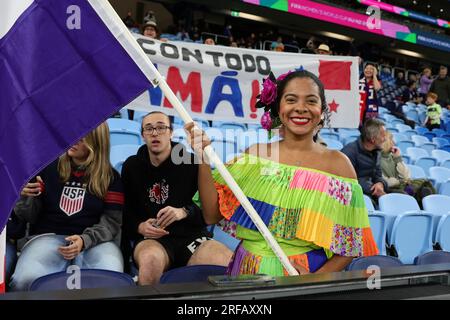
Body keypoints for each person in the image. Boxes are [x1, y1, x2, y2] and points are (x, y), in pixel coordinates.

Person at [185, 70, 378, 277]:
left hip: (302, 279)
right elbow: (211, 215)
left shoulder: (340, 166)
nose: (301, 108)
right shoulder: (253, 156)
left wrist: (315, 279)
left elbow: (349, 246)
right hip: (246, 270)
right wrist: (203, 158)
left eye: (311, 101)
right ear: (278, 107)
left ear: (322, 111)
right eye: (291, 99)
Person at [9, 123, 124, 291]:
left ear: (96, 141)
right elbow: (27, 216)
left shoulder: (112, 178)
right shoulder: (45, 168)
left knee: (110, 280)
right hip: (47, 236)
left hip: (95, 242)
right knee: (24, 280)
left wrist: (85, 240)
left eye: (81, 137)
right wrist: (24, 195)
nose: (73, 140)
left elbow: (111, 222)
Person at [121, 111, 232, 285]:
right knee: (150, 263)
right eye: (149, 129)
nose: (155, 133)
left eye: (161, 127)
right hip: (153, 240)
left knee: (225, 260)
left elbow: (207, 212)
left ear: (171, 132)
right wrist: (140, 227)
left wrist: (184, 212)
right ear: (142, 135)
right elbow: (125, 213)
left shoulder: (190, 162)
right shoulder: (132, 166)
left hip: (191, 237)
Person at [381, 131, 435, 206]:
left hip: (401, 186)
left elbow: (406, 176)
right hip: (390, 190)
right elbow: (384, 182)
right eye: (390, 139)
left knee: (426, 188)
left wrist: (398, 158)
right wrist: (400, 181)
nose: (393, 142)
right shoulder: (376, 158)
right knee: (407, 193)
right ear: (384, 141)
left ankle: (427, 212)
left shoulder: (393, 156)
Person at [342, 118, 388, 202]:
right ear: (372, 139)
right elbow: (348, 182)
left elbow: (378, 175)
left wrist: (380, 184)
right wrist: (373, 189)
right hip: (354, 197)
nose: (385, 139)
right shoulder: (349, 152)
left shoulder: (377, 151)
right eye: (383, 136)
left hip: (371, 191)